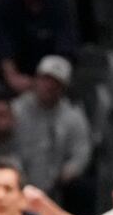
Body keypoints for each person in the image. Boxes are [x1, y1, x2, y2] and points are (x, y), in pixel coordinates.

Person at [11, 55, 90, 197]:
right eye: (45, 79)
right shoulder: (17, 109)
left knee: (81, 189)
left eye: (56, 82)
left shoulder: (73, 116)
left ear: (64, 87)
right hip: (18, 176)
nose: (49, 86)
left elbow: (82, 152)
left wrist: (68, 172)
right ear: (36, 80)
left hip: (57, 183)